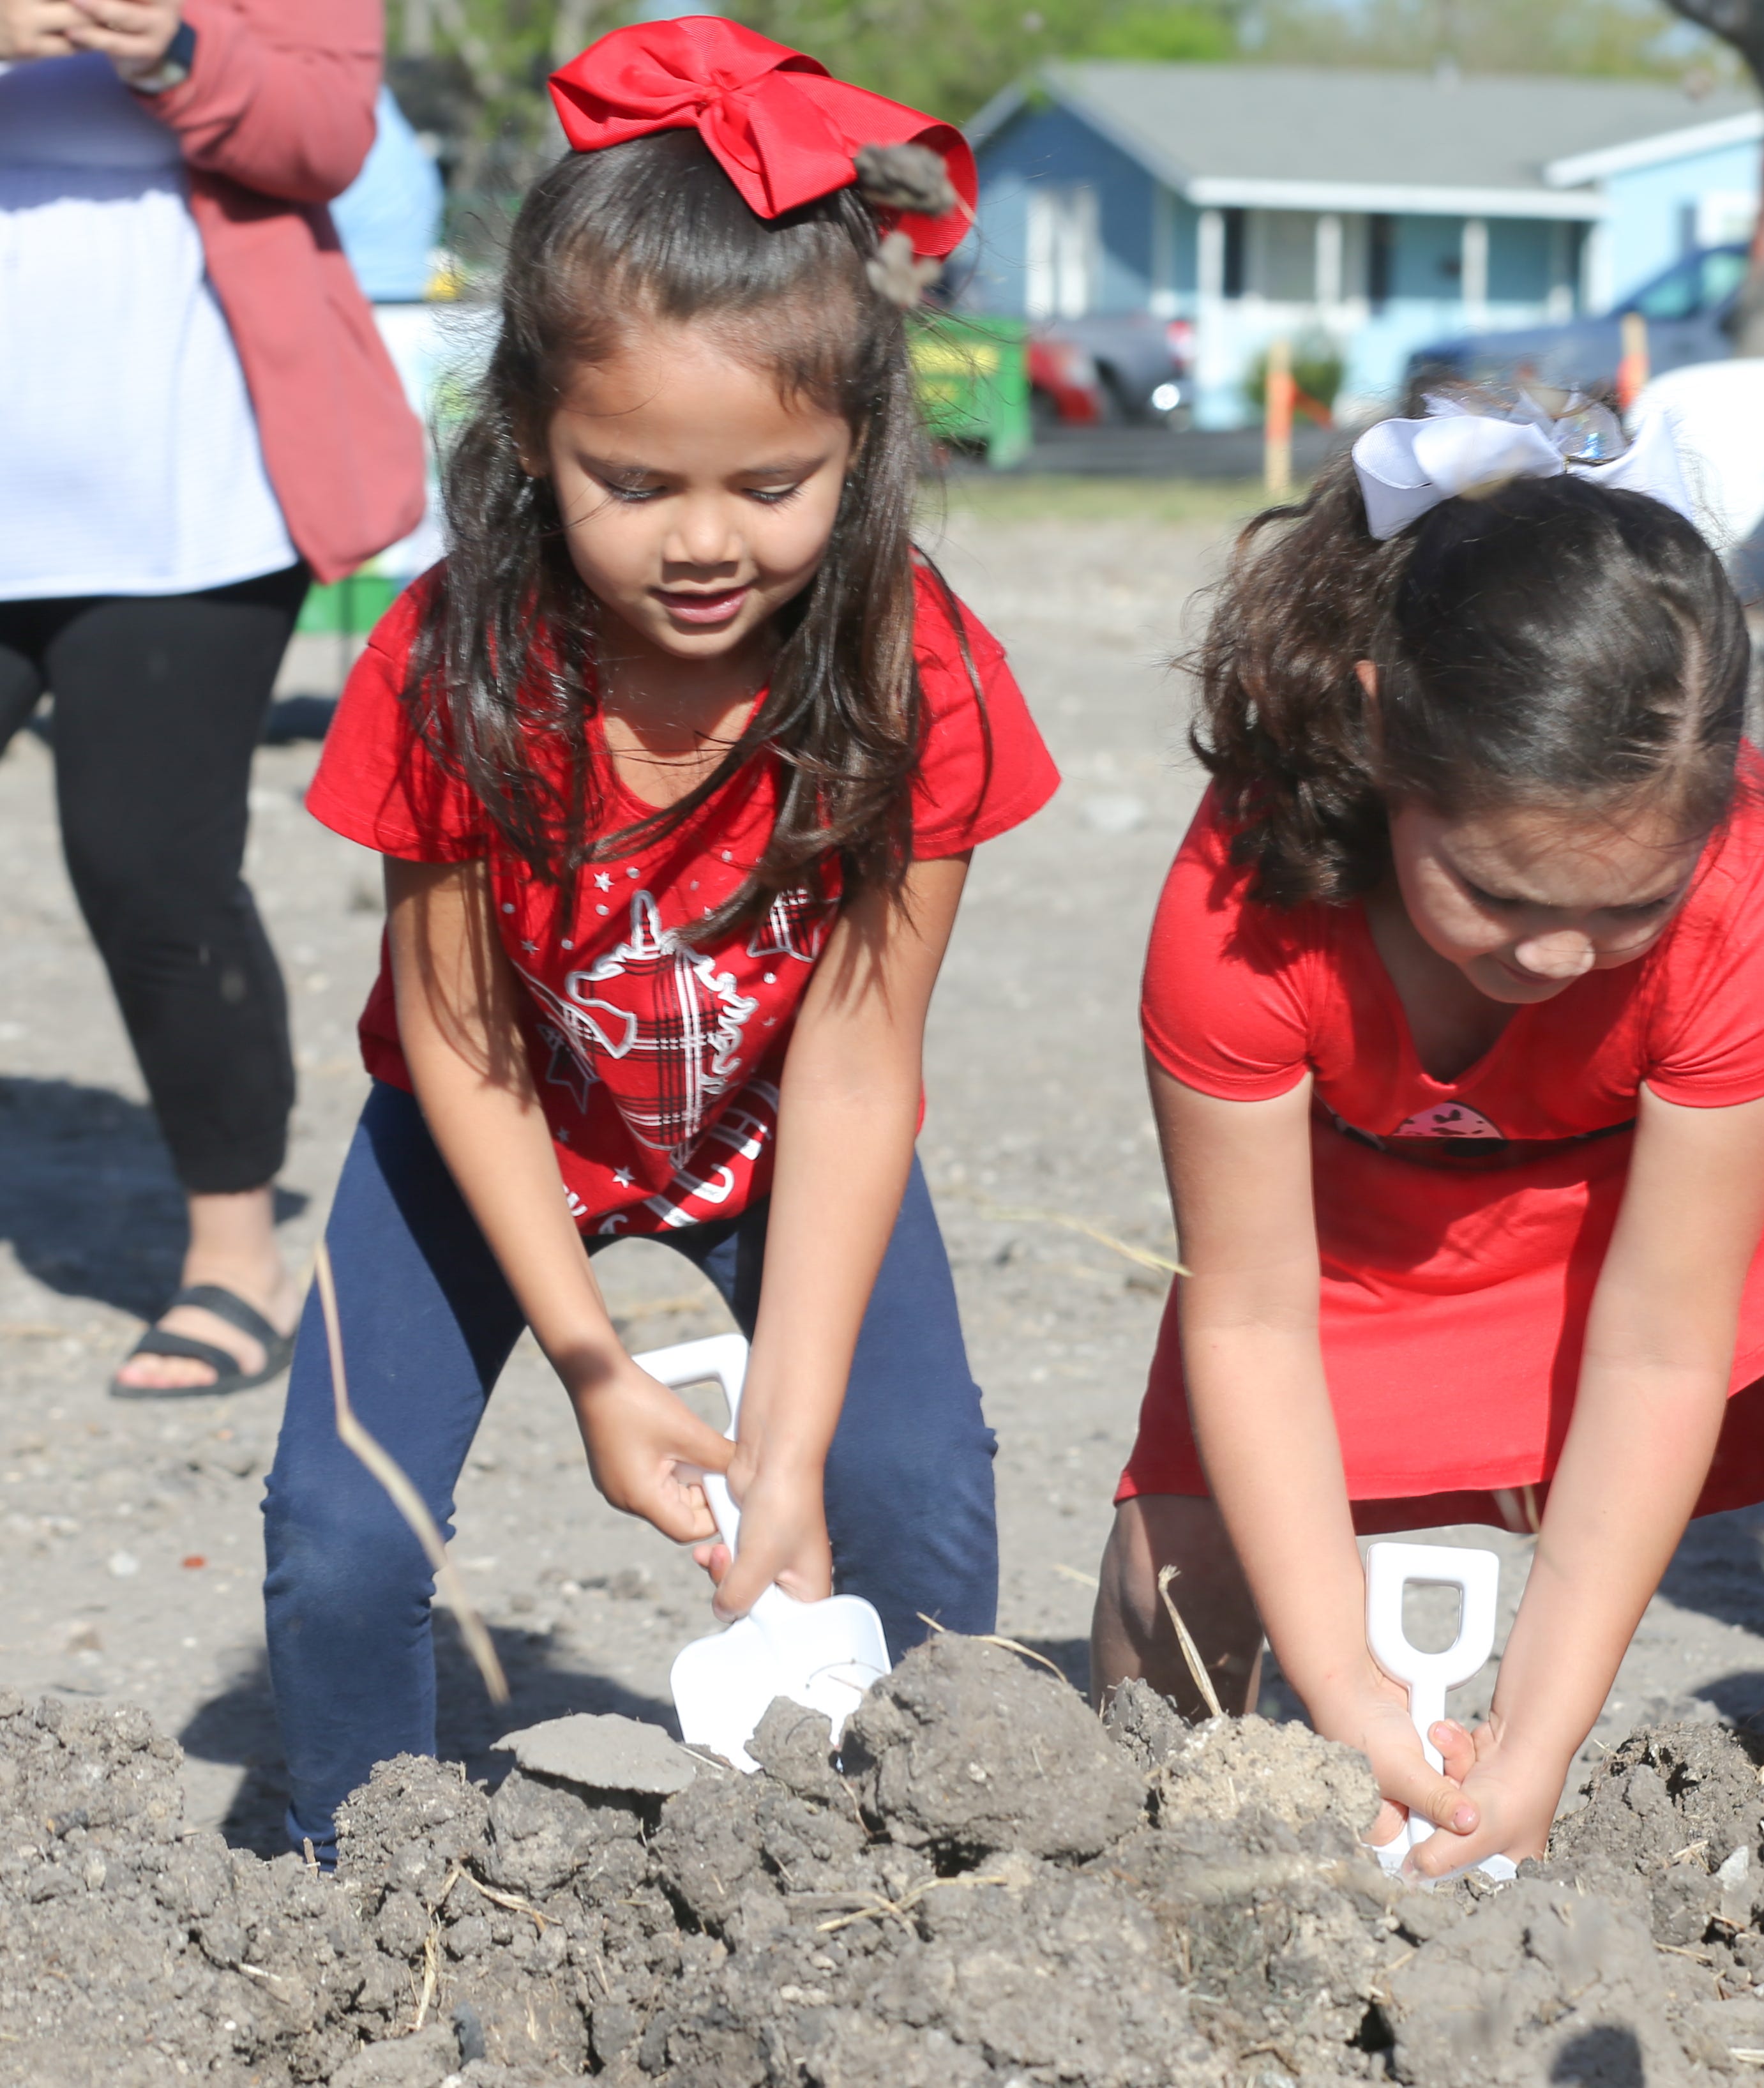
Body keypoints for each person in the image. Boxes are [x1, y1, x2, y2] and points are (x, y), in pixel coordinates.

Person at [268, 20, 1050, 1857]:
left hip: (780, 1130)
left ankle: (931, 1875)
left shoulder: (916, 672)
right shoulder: (450, 664)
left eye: (771, 487)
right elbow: (459, 1042)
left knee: (913, 1498)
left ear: (860, 448)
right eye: (633, 483)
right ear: (532, 441)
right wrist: (596, 1363)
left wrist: (789, 1443)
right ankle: (344, 1893)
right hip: (487, 1129)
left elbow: (856, 1063)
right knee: (338, 1540)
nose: (704, 544)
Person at [1094, 397, 1764, 1875]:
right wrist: (1346, 1688)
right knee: (1171, 1570)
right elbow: (1249, 1318)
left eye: (1624, 907)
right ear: (1381, 732)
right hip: (1386, 1167)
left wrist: (1539, 1726)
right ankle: (1167, 1844)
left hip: (1694, 1129)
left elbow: (1659, 1347)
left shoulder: (1735, 900)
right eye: (1498, 896)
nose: (1558, 957)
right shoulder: (1243, 904)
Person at [0, 0, 423, 1396]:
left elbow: (328, 136)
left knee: (149, 866)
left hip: (187, 496)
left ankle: (235, 1257)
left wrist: (175, 49)